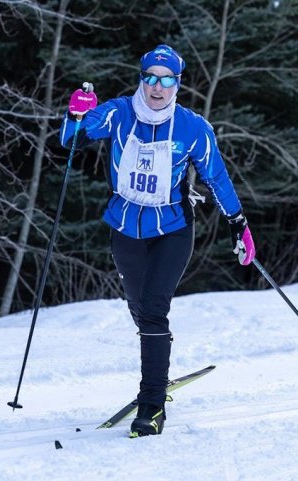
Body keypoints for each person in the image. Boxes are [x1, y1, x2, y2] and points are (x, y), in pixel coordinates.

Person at [59, 44, 256, 437]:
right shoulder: (117, 113)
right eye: (150, 77)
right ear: (141, 79)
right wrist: (75, 113)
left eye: (166, 80)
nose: (157, 87)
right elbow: (72, 140)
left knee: (152, 309)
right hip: (125, 226)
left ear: (177, 84)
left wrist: (238, 222)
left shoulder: (193, 127)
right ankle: (158, 366)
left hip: (173, 229)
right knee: (139, 307)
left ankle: (151, 406)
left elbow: (216, 177)